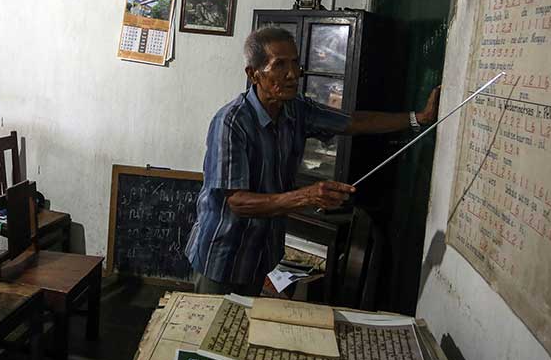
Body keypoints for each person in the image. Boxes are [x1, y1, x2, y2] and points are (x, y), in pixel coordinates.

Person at [185, 26, 440, 295]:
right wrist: (306, 196)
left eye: (295, 63)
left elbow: (354, 121)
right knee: (214, 332)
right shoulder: (231, 122)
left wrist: (418, 119)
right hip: (222, 255)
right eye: (279, 65)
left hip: (261, 254)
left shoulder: (296, 110)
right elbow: (237, 201)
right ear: (253, 74)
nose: (293, 74)